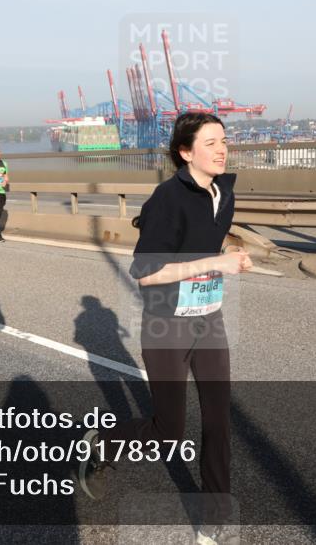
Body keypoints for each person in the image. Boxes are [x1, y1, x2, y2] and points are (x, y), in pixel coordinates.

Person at [78, 113, 251, 545]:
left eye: (223, 140)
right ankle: (104, 444)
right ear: (185, 151)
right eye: (209, 142)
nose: (221, 148)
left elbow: (208, 241)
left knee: (218, 420)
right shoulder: (167, 198)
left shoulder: (223, 192)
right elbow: (144, 271)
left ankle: (213, 522)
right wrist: (215, 262)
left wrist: (231, 252)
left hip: (208, 319)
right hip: (166, 326)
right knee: (168, 430)